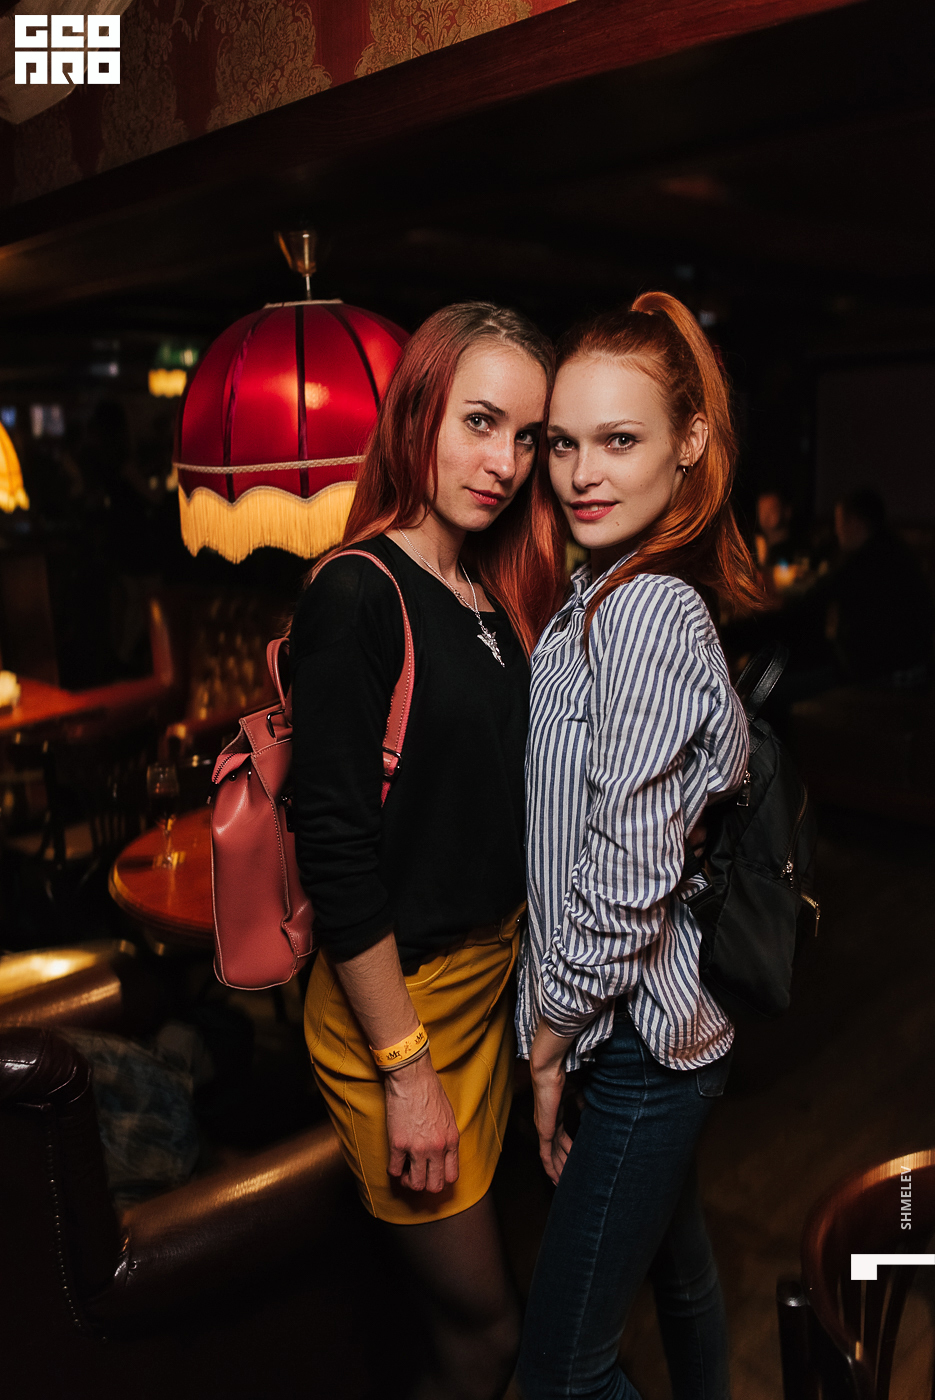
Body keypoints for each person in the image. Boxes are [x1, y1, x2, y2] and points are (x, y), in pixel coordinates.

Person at [289, 302, 563, 1400]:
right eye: (480, 422)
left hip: (489, 991)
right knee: (485, 1337)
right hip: (399, 1015)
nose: (503, 463)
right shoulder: (357, 590)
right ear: (419, 413)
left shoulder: (489, 590)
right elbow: (336, 856)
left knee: (471, 1313)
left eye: (526, 437)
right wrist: (406, 1073)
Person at [515, 291, 763, 1400]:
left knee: (562, 1375)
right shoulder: (593, 594)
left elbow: (622, 879)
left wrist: (547, 1039)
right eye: (563, 444)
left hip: (635, 1047)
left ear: (689, 443)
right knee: (681, 1273)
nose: (581, 474)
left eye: (618, 441)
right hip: (639, 1026)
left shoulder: (647, 612)